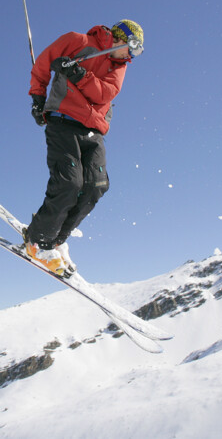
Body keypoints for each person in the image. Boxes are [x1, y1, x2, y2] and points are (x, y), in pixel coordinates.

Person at [23, 19, 144, 275]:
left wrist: (78, 73)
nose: (131, 56)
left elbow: (104, 95)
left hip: (94, 129)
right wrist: (37, 98)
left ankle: (55, 241)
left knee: (96, 186)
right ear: (120, 37)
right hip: (63, 120)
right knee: (69, 183)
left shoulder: (119, 66)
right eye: (132, 48)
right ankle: (37, 241)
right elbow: (44, 63)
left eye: (137, 52)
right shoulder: (78, 42)